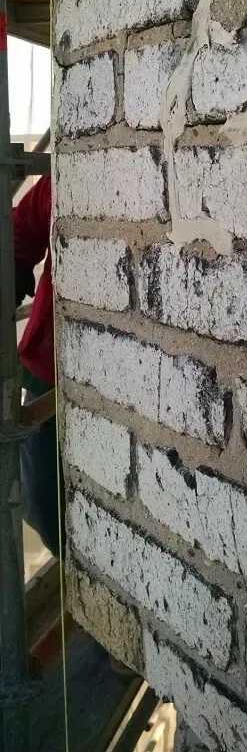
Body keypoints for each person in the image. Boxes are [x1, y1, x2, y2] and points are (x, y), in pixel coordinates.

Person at [13, 173, 61, 557]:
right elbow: (24, 223)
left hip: (129, 389)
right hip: (51, 371)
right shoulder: (67, 173)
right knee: (44, 506)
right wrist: (13, 265)